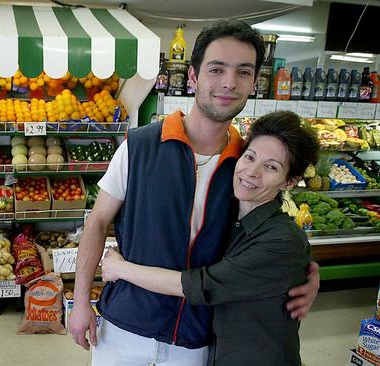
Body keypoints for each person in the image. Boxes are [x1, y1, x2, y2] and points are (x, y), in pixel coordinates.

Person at [68, 19, 320, 366]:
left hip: (196, 339)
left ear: (254, 82)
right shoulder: (140, 146)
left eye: (243, 72)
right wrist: (80, 301)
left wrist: (307, 275)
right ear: (192, 76)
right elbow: (97, 222)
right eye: (217, 69)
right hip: (123, 328)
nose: (229, 82)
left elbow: (267, 237)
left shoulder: (246, 167)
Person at [101, 111, 319, 365]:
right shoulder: (232, 218)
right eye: (249, 157)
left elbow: (202, 285)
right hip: (217, 352)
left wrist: (120, 268)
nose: (252, 172)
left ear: (289, 182)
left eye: (271, 167)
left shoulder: (283, 240)